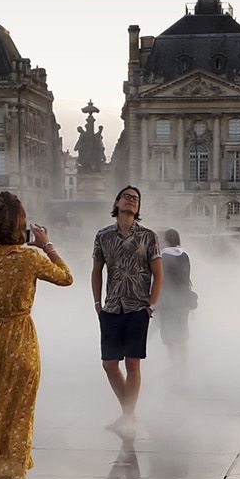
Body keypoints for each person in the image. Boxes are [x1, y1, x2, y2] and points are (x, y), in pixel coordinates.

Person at [0, 191, 73, 479]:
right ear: (20, 226)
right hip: (21, 341)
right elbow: (66, 278)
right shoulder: (28, 258)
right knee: (18, 416)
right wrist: (46, 245)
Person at [91, 186, 162, 438]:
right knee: (109, 364)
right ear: (117, 202)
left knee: (133, 363)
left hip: (137, 307)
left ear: (138, 207)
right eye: (127, 197)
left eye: (135, 199)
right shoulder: (103, 236)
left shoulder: (148, 236)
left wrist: (151, 305)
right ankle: (128, 414)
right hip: (112, 306)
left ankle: (127, 416)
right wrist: (97, 304)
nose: (131, 200)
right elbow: (96, 271)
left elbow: (158, 274)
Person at [157, 228, 196, 366]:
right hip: (184, 301)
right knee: (182, 335)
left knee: (169, 337)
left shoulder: (163, 258)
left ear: (166, 241)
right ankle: (184, 365)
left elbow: (159, 281)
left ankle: (173, 365)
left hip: (168, 303)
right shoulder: (184, 255)